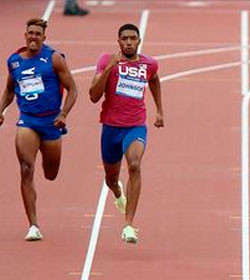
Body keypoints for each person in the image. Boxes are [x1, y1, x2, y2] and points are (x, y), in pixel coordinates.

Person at [0, 18, 78, 241]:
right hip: (28, 121)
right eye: (30, 33)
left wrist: (63, 114)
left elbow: (73, 89)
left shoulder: (54, 58)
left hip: (51, 123)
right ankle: (33, 225)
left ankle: (47, 161)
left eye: (37, 34)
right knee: (26, 168)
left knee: (50, 174)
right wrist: (1, 109)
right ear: (25, 36)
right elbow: (9, 90)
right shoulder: (14, 61)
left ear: (44, 37)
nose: (33, 37)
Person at [89, 23, 163, 244]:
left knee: (134, 165)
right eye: (125, 39)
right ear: (118, 41)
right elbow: (93, 96)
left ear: (139, 41)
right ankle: (118, 194)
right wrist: (110, 68)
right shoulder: (106, 60)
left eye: (133, 38)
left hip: (135, 126)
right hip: (111, 128)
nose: (129, 42)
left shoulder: (149, 64)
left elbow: (154, 80)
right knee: (111, 179)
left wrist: (159, 110)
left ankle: (129, 225)